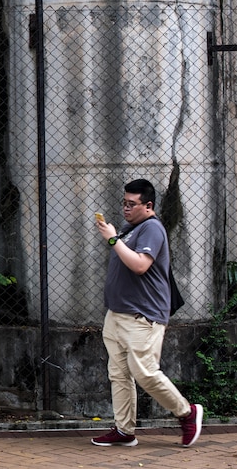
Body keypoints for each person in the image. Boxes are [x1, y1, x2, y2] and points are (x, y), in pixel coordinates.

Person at [91, 178, 202, 448]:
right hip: (118, 314)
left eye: (132, 204)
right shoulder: (132, 228)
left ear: (148, 205)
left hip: (143, 316)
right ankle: (124, 430)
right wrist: (117, 236)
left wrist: (113, 239)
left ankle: (187, 413)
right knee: (118, 374)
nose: (126, 208)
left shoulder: (152, 228)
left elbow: (140, 265)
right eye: (124, 203)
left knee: (146, 373)